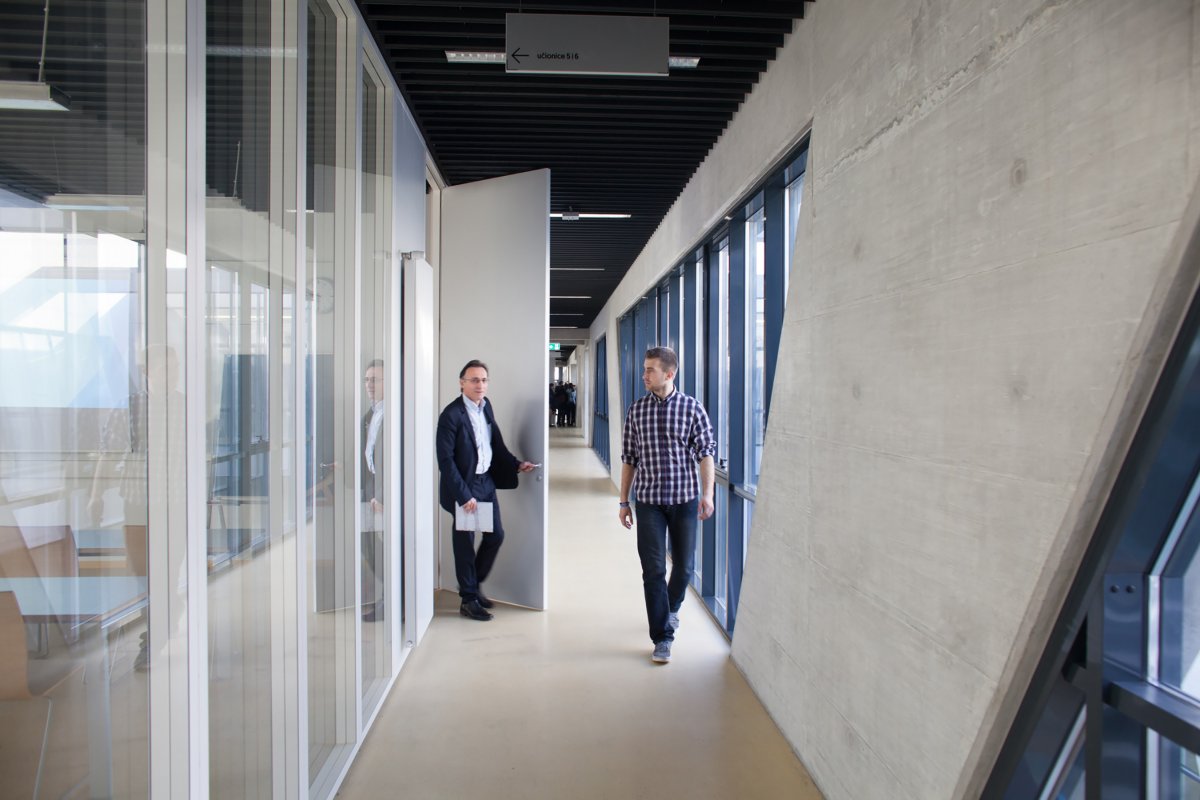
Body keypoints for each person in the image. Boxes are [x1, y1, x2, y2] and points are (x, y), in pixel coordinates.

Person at [618, 346, 715, 664]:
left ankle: (670, 609)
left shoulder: (692, 408)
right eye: (644, 369)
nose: (643, 375)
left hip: (685, 500)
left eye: (650, 370)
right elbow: (629, 459)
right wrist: (623, 501)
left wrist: (708, 493)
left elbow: (705, 454)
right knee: (654, 570)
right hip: (648, 503)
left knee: (685, 567)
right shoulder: (636, 410)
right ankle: (662, 636)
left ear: (669, 374)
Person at [437, 360, 536, 621]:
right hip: (465, 487)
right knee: (465, 543)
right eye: (474, 380)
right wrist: (463, 496)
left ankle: (471, 584)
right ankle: (469, 600)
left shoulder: (486, 407)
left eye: (483, 380)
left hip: (486, 482)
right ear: (461, 383)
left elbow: (495, 444)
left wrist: (516, 464)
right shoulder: (451, 415)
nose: (480, 385)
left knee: (496, 535)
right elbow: (445, 462)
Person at [361, 359, 386, 622]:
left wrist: (383, 496)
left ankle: (391, 599)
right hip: (370, 489)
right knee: (368, 545)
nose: (369, 384)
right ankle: (387, 595)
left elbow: (391, 459)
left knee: (387, 546)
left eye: (375, 379)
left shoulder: (392, 412)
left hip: (383, 493)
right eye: (367, 379)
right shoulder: (372, 413)